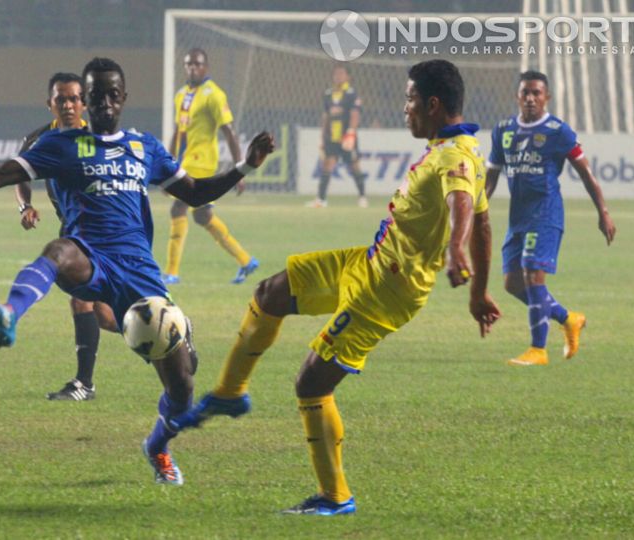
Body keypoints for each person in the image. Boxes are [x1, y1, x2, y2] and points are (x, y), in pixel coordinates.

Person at [0, 57, 274, 486]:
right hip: (90, 258)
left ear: (124, 98)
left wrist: (245, 166)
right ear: (87, 100)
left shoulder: (144, 147)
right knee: (58, 250)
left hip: (139, 273)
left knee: (183, 388)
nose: (104, 103)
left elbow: (195, 193)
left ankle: (157, 446)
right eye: (96, 95)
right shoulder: (61, 145)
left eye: (112, 94)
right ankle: (9, 314)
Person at [170, 60, 501, 515]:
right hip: (367, 264)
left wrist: (456, 250)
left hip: (386, 293)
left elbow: (462, 206)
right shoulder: (461, 147)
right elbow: (483, 221)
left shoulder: (454, 157)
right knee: (270, 293)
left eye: (409, 100)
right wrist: (479, 291)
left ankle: (335, 496)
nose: (405, 109)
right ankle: (230, 394)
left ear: (433, 104)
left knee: (311, 383)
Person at [486, 71, 616, 367]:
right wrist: (478, 208)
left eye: (536, 93)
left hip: (545, 214)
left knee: (533, 276)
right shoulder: (503, 130)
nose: (530, 98)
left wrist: (603, 212)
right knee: (512, 284)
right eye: (525, 93)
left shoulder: (558, 131)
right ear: (517, 96)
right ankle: (568, 319)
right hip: (517, 217)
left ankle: (537, 350)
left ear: (547, 97)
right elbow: (491, 175)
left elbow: (586, 173)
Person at [14, 72, 117, 401]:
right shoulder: (39, 140)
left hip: (100, 231)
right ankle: (170, 330)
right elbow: (19, 175)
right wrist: (25, 206)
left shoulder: (98, 138)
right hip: (72, 230)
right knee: (105, 317)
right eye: (62, 99)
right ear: (50, 104)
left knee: (81, 299)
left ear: (84, 104)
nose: (69, 105)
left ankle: (84, 384)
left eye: (74, 99)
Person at [162, 48, 259, 285]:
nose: (192, 68)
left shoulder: (214, 94)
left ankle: (172, 272)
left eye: (197, 64)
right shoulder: (181, 95)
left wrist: (240, 169)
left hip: (204, 162)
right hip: (187, 160)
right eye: (188, 64)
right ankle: (246, 261)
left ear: (206, 67)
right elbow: (178, 132)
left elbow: (229, 131)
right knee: (203, 216)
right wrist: (167, 161)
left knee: (178, 208)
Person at [309, 64, 369, 209]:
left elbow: (355, 114)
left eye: (341, 74)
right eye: (336, 74)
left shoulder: (351, 94)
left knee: (354, 165)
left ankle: (362, 197)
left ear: (348, 77)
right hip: (331, 137)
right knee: (327, 165)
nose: (338, 76)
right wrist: (322, 137)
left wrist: (351, 132)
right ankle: (321, 199)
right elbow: (325, 116)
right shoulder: (328, 94)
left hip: (346, 137)